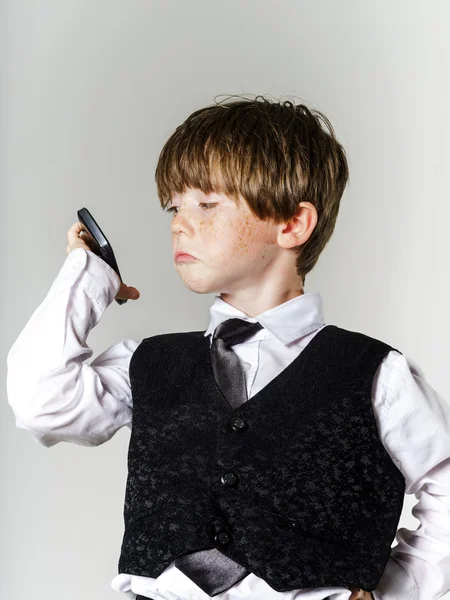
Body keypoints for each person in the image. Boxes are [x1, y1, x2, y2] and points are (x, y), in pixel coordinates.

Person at [6, 96, 450, 600]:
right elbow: (40, 401)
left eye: (207, 204)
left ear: (291, 225)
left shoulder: (374, 373)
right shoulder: (147, 364)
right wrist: (88, 277)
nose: (179, 222)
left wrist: (396, 590)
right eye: (174, 206)